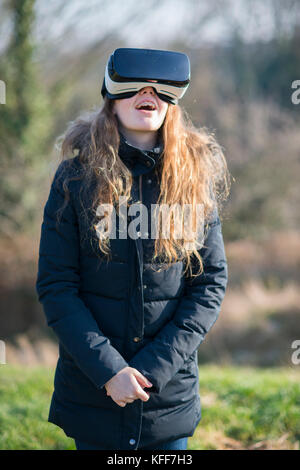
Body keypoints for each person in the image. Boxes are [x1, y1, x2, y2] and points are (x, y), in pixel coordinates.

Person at [35, 48, 231, 451]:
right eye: (135, 87)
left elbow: (209, 284)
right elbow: (57, 285)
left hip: (167, 401)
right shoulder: (75, 178)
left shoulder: (193, 179)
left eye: (161, 88)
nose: (149, 93)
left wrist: (149, 370)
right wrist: (109, 372)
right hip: (92, 395)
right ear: (111, 98)